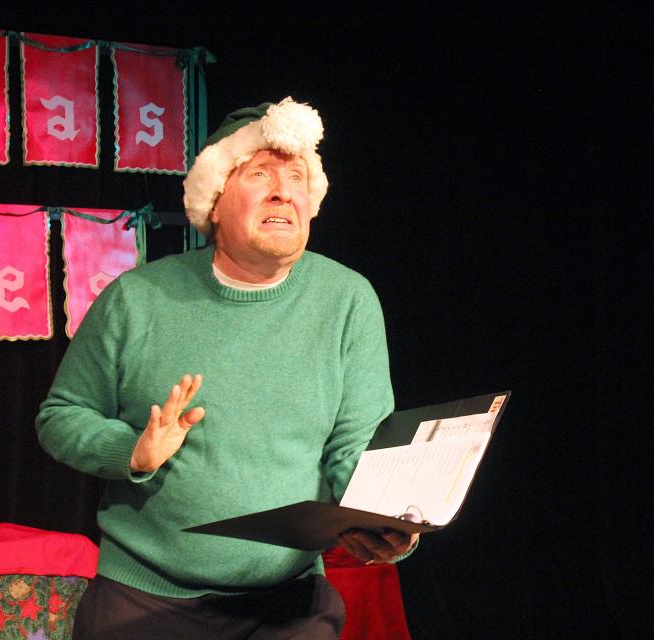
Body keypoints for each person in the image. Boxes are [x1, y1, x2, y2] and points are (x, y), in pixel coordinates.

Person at [35, 97, 416, 639]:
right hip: (145, 598)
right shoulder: (137, 298)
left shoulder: (348, 301)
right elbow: (60, 415)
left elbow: (357, 448)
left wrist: (382, 520)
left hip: (288, 606)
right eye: (260, 174)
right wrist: (132, 450)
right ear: (213, 202)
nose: (284, 190)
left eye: (297, 177)